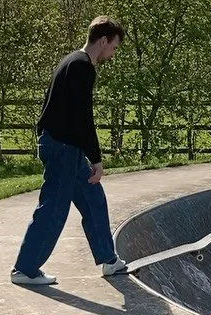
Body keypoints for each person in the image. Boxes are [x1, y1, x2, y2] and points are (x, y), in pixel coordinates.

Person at [11, 15, 128, 286]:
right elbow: (83, 117)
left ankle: (108, 260)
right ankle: (25, 269)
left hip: (66, 147)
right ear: (102, 40)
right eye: (114, 47)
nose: (113, 53)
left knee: (92, 197)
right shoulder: (82, 67)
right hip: (62, 148)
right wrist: (96, 159)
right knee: (54, 208)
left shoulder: (71, 61)